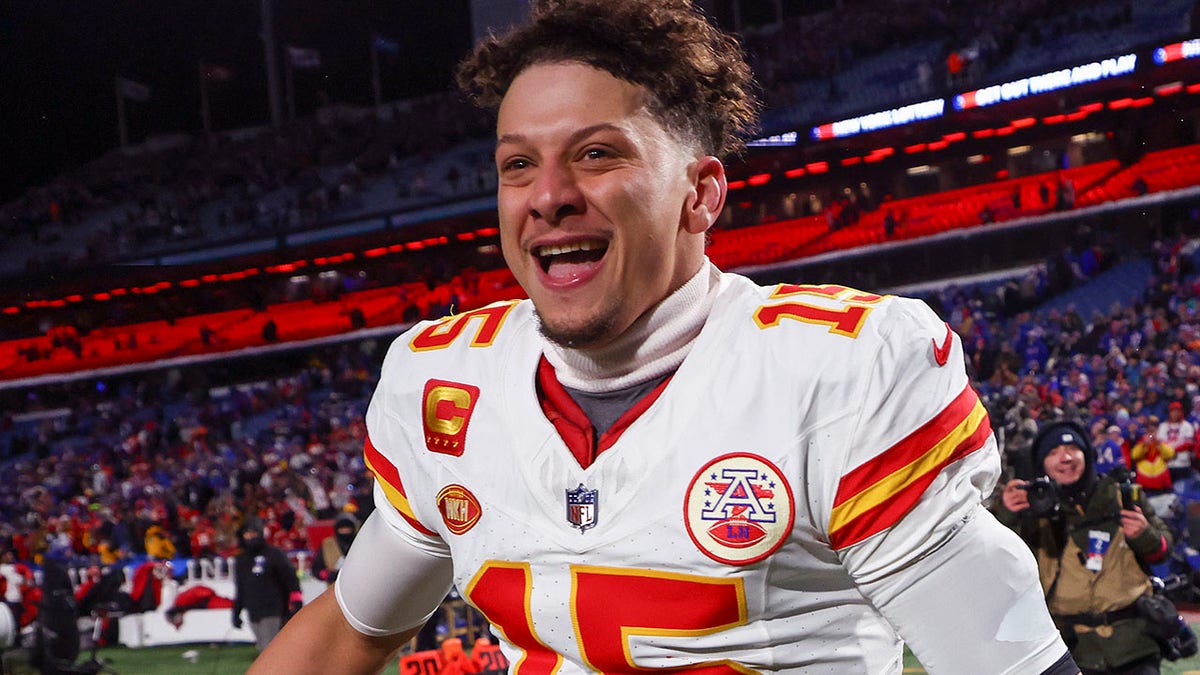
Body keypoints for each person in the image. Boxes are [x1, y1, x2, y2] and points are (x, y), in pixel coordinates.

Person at [250, 1, 1076, 673]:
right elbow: (348, 631)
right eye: (517, 165)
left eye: (597, 154)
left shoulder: (838, 371)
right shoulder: (442, 381)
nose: (549, 196)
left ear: (700, 194)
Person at [998, 421, 1172, 674]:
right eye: (1053, 452)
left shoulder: (1119, 495)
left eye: (1071, 448)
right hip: (1070, 649)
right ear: (1041, 464)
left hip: (1133, 645)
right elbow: (999, 565)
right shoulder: (1032, 507)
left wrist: (1144, 535)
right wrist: (1005, 513)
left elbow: (1163, 549)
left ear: (1086, 454)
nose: (1065, 458)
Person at [232, 519, 303, 652]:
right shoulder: (241, 559)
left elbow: (291, 579)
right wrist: (236, 612)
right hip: (253, 611)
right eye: (247, 534)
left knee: (269, 648)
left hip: (273, 609)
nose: (250, 537)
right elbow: (240, 587)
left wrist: (296, 600)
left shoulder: (274, 554)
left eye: (253, 533)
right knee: (262, 647)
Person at [311, 512, 359, 585]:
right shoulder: (327, 544)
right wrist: (326, 575)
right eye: (342, 528)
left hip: (358, 584)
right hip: (335, 588)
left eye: (347, 528)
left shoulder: (360, 542)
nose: (345, 531)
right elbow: (316, 568)